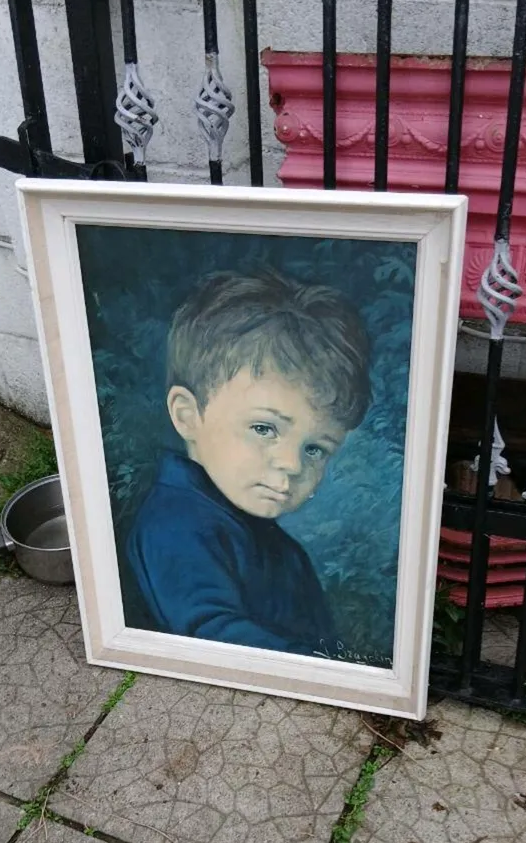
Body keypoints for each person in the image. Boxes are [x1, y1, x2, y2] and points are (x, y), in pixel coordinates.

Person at [125, 269, 372, 655]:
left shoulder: (281, 548)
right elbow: (210, 633)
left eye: (315, 449)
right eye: (264, 428)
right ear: (188, 416)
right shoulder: (175, 523)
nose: (291, 465)